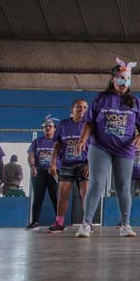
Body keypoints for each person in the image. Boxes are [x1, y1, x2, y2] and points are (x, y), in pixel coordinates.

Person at [76, 59, 140, 239]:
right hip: (101, 146)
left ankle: (125, 224)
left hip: (125, 149)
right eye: (121, 79)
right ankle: (86, 223)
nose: (124, 84)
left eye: (128, 80)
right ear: (113, 80)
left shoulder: (135, 101)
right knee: (96, 184)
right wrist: (83, 139)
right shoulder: (101, 99)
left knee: (124, 187)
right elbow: (89, 122)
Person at [48, 99, 89, 233]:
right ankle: (59, 222)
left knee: (85, 194)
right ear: (72, 109)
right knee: (63, 194)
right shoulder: (63, 124)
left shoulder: (89, 125)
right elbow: (57, 145)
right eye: (78, 107)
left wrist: (90, 164)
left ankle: (87, 223)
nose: (81, 109)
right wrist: (53, 162)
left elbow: (96, 146)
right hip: (66, 164)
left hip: (84, 164)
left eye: (84, 107)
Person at [26, 117, 57, 229]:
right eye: (45, 127)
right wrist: (32, 166)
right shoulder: (37, 142)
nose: (47, 128)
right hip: (39, 172)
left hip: (54, 173)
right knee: (38, 197)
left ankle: (59, 222)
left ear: (54, 128)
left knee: (56, 197)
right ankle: (35, 221)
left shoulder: (58, 142)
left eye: (50, 126)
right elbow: (30, 155)